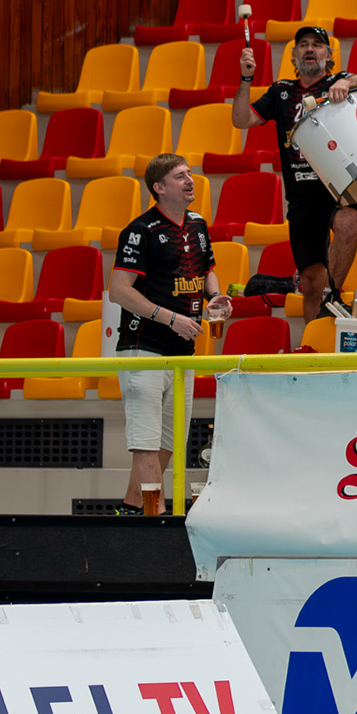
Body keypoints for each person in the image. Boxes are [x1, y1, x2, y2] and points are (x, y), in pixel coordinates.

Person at [231, 25, 357, 315]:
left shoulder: (337, 81)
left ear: (328, 55)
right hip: (301, 196)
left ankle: (332, 297)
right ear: (294, 56)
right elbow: (241, 120)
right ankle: (313, 334)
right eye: (304, 45)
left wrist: (346, 82)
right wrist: (246, 79)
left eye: (317, 45)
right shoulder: (280, 91)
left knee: (347, 223)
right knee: (309, 282)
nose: (310, 49)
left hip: (338, 186)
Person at [108, 154, 222, 513]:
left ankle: (131, 509)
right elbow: (118, 291)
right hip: (143, 347)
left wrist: (215, 296)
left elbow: (207, 269)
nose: (190, 180)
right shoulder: (140, 231)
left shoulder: (198, 224)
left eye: (189, 173)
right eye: (180, 176)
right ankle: (153, 520)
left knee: (168, 443)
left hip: (181, 352)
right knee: (145, 443)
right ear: (159, 188)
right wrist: (170, 318)